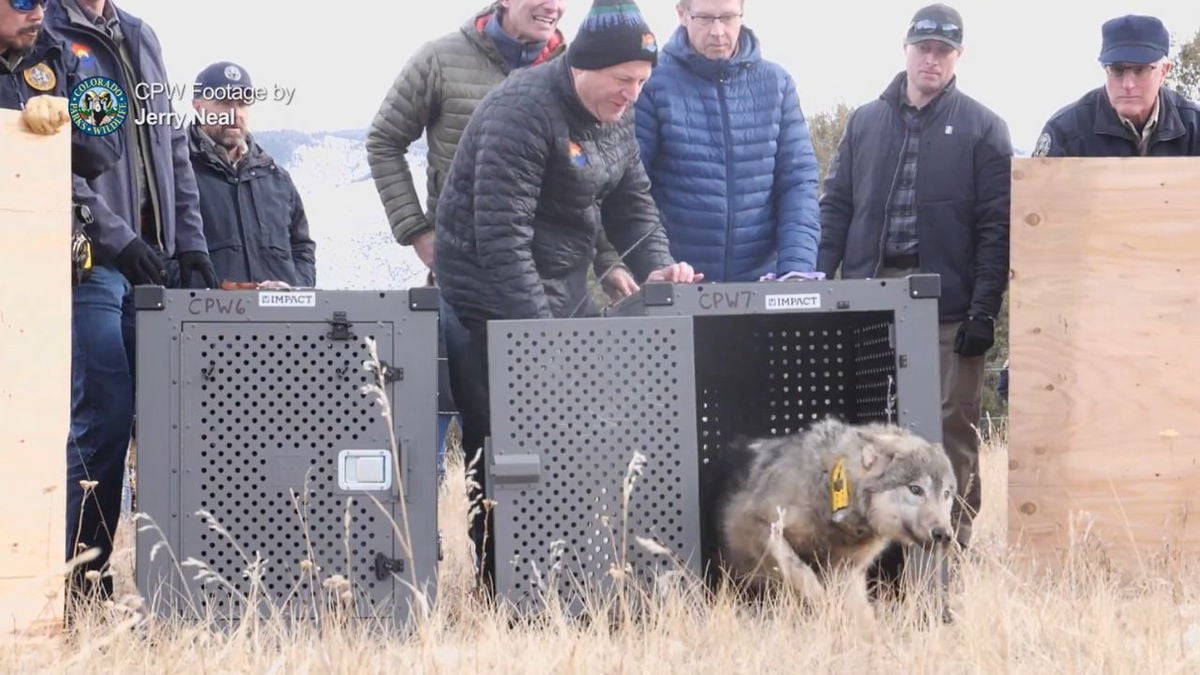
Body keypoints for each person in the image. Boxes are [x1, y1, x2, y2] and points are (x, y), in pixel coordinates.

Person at [434, 0, 703, 589]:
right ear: (585, 66)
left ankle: (576, 576)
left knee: (584, 436)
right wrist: (547, 348)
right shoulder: (520, 112)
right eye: (623, 80)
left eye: (642, 82)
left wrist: (662, 270)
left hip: (561, 285)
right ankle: (500, 584)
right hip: (485, 297)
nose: (633, 93)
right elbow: (502, 240)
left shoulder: (615, 114)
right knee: (504, 446)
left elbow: (634, 205)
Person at [817, 3, 1012, 552]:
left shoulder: (984, 128)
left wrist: (983, 310)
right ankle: (863, 551)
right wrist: (818, 277)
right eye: (924, 48)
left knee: (953, 433)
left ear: (958, 58)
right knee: (866, 435)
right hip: (869, 296)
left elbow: (996, 229)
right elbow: (836, 207)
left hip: (949, 305)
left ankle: (954, 549)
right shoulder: (864, 121)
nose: (932, 59)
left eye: (944, 51)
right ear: (905, 49)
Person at [45, 0, 218, 603]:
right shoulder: (44, 29)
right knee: (103, 420)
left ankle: (175, 586)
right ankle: (78, 583)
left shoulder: (142, 36)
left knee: (175, 421)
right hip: (91, 263)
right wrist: (116, 237)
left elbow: (171, 142)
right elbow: (47, 161)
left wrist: (191, 242)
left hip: (157, 265)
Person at [365, 0, 638, 301]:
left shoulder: (578, 73)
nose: (553, 7)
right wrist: (417, 233)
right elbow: (384, 141)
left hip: (565, 282)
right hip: (472, 274)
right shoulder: (440, 60)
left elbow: (599, 180)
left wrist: (610, 260)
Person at [634, 0, 820, 282]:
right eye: (706, 19)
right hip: (679, 283)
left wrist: (796, 269)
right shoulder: (651, 84)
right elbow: (633, 188)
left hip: (763, 284)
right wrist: (657, 266)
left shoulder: (777, 84)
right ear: (682, 14)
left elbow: (798, 183)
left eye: (728, 18)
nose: (718, 32)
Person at [189, 61, 316, 287]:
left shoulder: (277, 179)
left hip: (280, 320)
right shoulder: (176, 174)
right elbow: (157, 248)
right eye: (224, 102)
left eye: (242, 103)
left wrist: (297, 289)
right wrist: (195, 292)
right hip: (202, 317)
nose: (235, 113)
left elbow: (302, 248)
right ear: (198, 106)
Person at [1033, 14, 1200, 157]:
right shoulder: (1065, 130)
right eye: (1117, 70)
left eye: (1140, 70)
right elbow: (1036, 190)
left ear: (1164, 71)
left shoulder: (1195, 126)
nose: (1128, 84)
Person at [1, 0, 118, 179]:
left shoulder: (60, 53)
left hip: (45, 201)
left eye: (44, 2)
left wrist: (73, 114)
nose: (39, 14)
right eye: (24, 3)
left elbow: (108, 146)